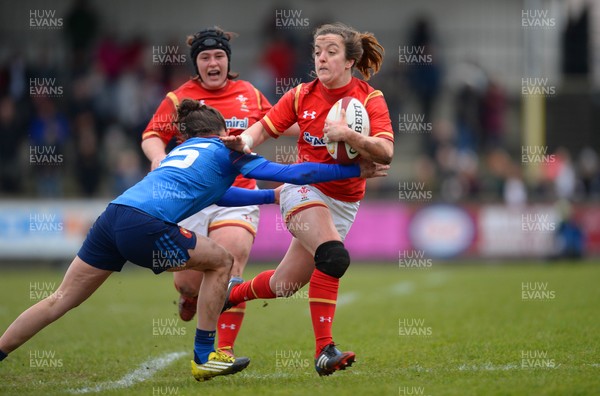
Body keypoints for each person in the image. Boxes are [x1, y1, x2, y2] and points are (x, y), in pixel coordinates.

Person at [0, 100, 388, 382]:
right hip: (146, 224)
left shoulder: (182, 150)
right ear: (221, 130)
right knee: (221, 262)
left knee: (58, 300)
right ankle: (205, 356)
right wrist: (352, 167)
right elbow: (293, 173)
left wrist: (268, 197)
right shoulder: (227, 150)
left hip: (112, 217)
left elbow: (220, 196)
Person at [221, 22, 394, 376]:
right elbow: (264, 127)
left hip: (344, 203)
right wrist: (244, 142)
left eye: (331, 52)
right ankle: (324, 351)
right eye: (317, 52)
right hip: (302, 192)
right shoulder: (300, 95)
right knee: (333, 256)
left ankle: (230, 295)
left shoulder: (370, 98)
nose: (321, 58)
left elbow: (386, 152)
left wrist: (349, 136)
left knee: (285, 285)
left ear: (349, 61)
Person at [141, 27, 295, 357]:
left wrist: (322, 126)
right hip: (192, 198)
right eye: (206, 57)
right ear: (196, 64)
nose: (214, 62)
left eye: (220, 56)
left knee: (231, 268)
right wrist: (158, 157)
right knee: (189, 282)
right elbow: (152, 134)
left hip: (237, 196)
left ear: (228, 60)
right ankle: (189, 296)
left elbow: (278, 122)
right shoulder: (178, 98)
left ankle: (221, 351)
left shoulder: (250, 93)